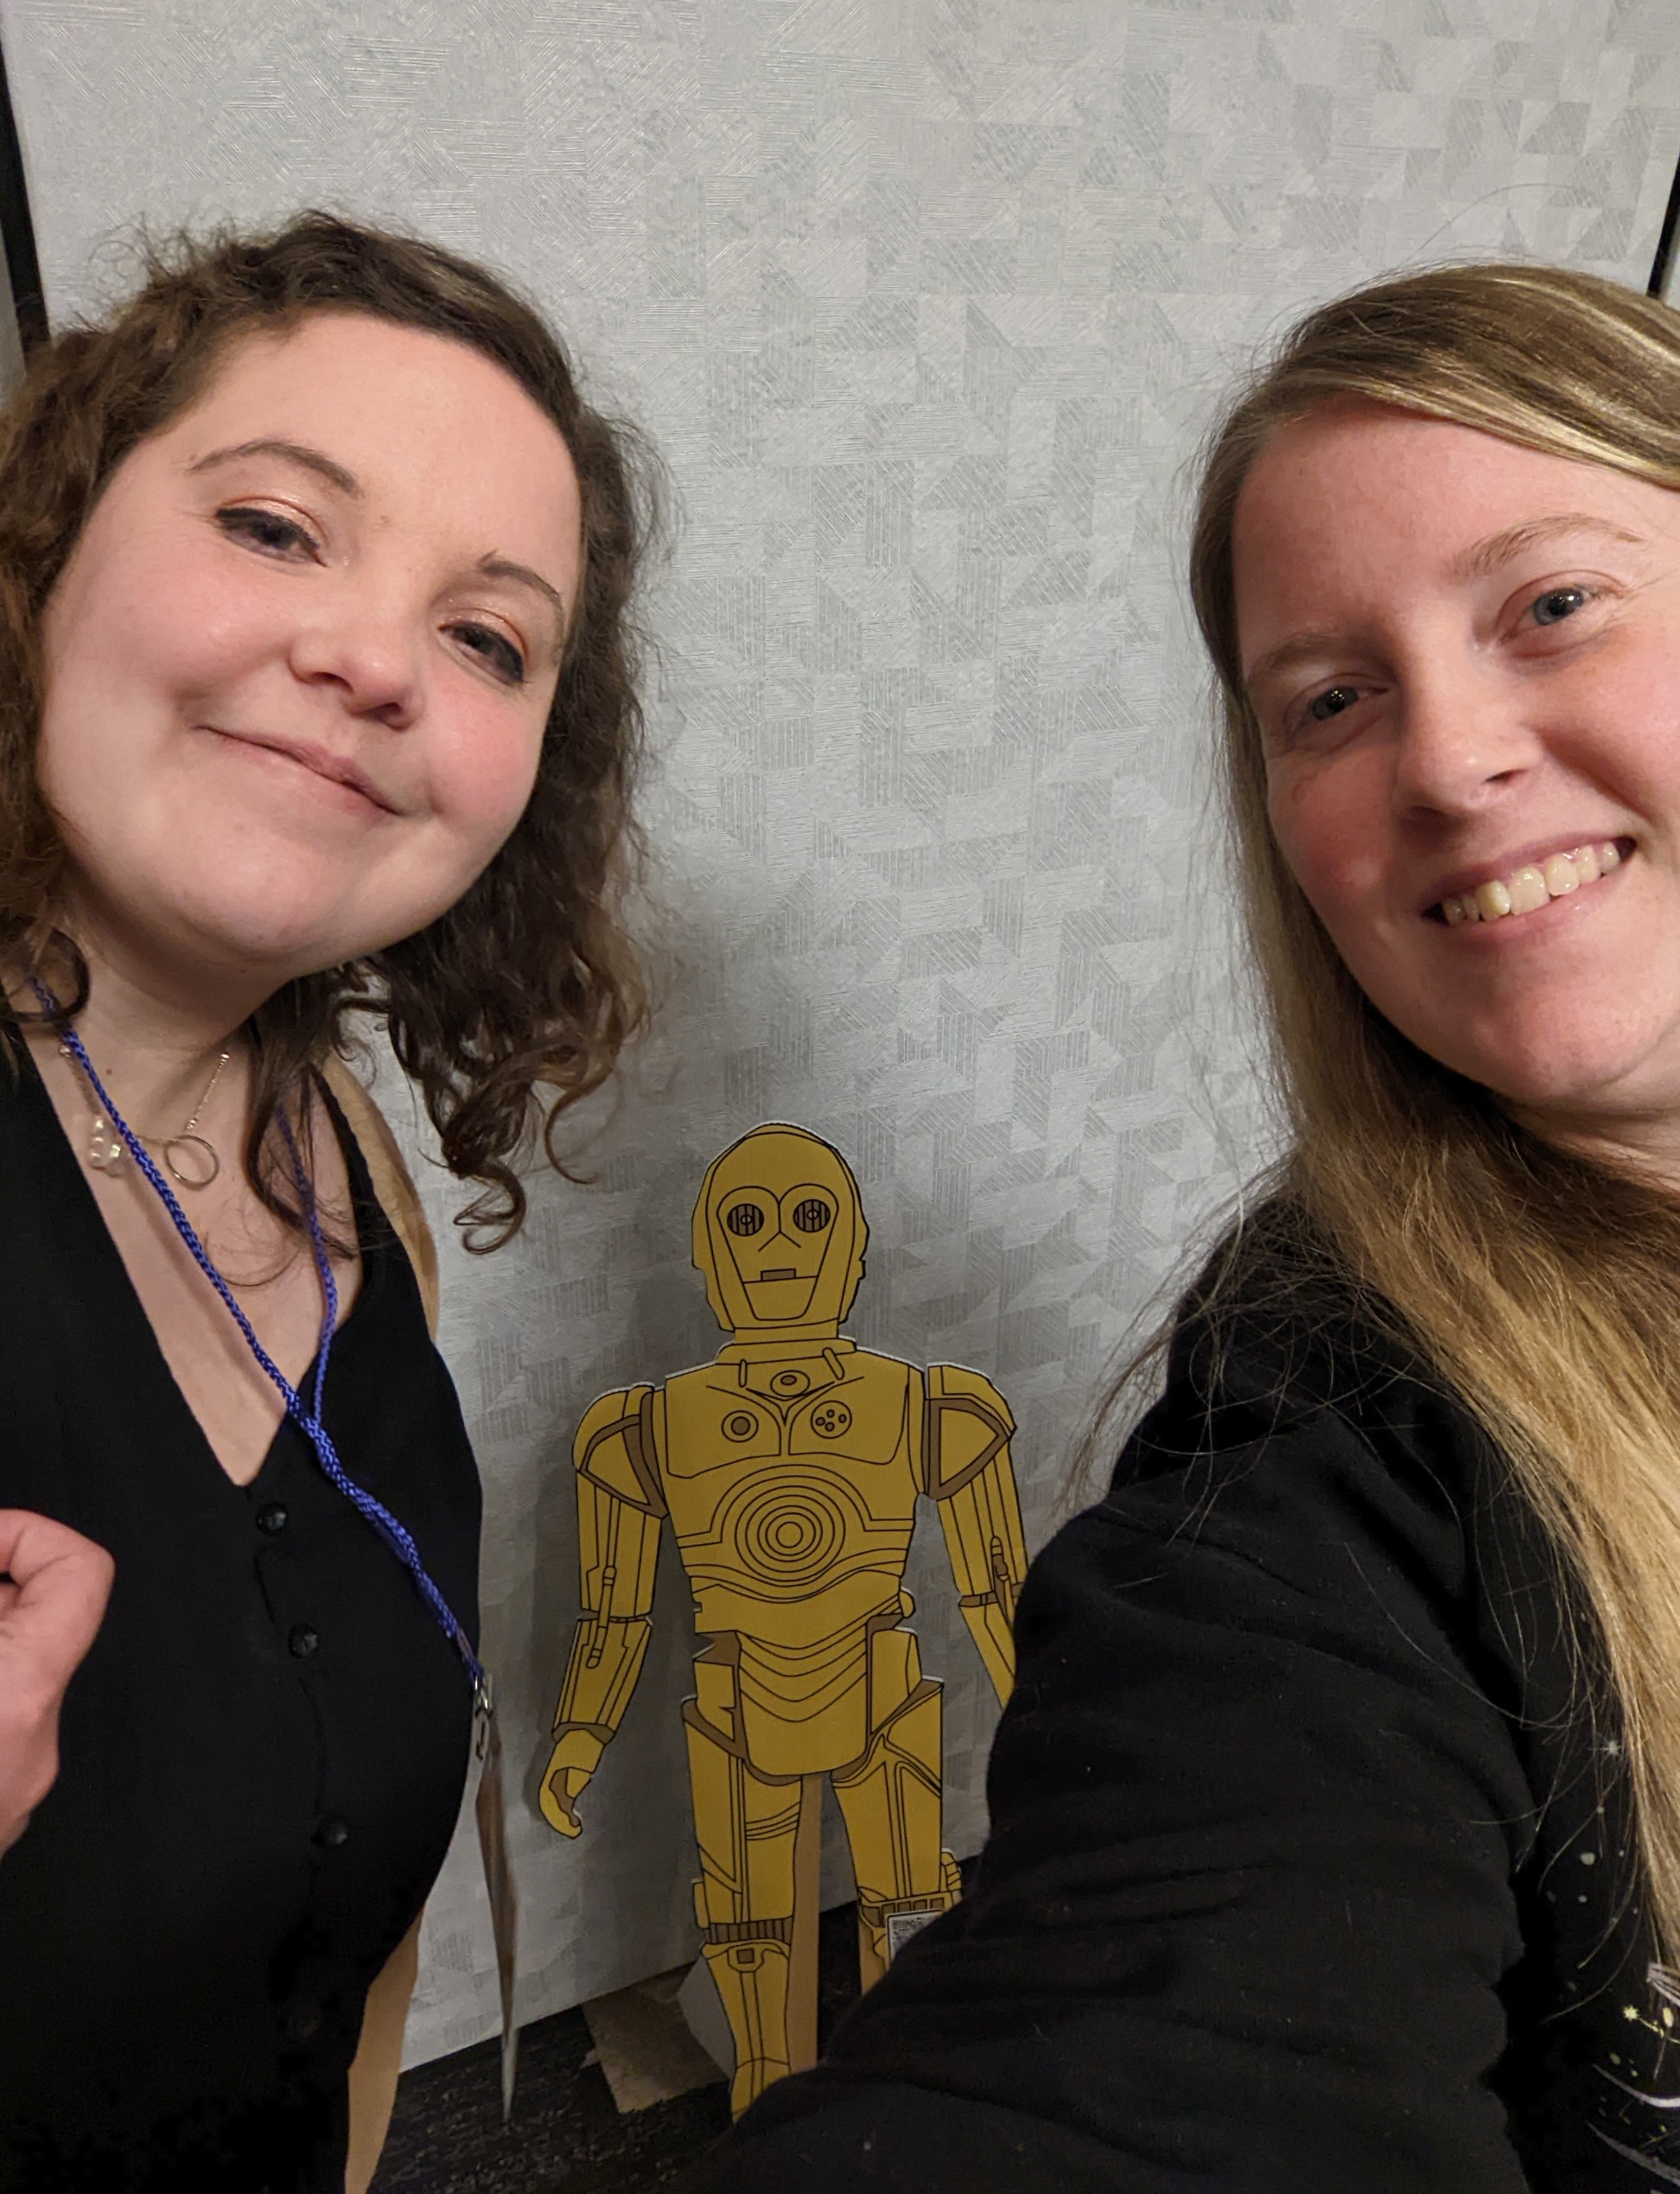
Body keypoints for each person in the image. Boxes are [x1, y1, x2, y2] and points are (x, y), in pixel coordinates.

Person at [685, 262, 1680, 2193]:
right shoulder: (1333, 1437)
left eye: (1553, 606)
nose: (1447, 759)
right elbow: (1138, 2020)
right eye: (1331, 700)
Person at [0, 213, 651, 2191]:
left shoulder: (345, 1171)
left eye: (486, 638)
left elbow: (349, 1953)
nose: (373, 661)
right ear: (46, 546)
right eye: (276, 527)